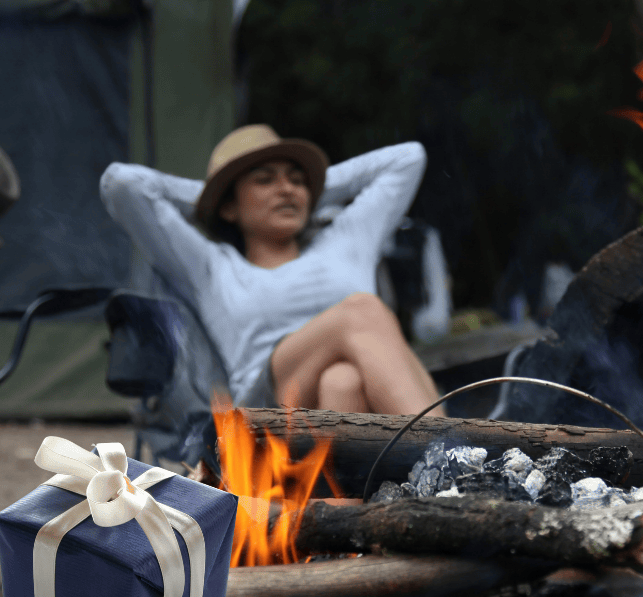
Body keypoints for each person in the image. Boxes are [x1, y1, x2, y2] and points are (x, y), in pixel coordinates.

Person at [100, 124, 445, 416]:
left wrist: (309, 193)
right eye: (265, 180)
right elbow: (122, 184)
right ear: (230, 207)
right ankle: (449, 454)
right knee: (361, 310)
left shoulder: (345, 240)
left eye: (297, 180)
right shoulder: (212, 267)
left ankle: (352, 497)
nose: (286, 188)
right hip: (266, 410)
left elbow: (409, 157)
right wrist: (213, 196)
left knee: (341, 380)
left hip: (347, 406)